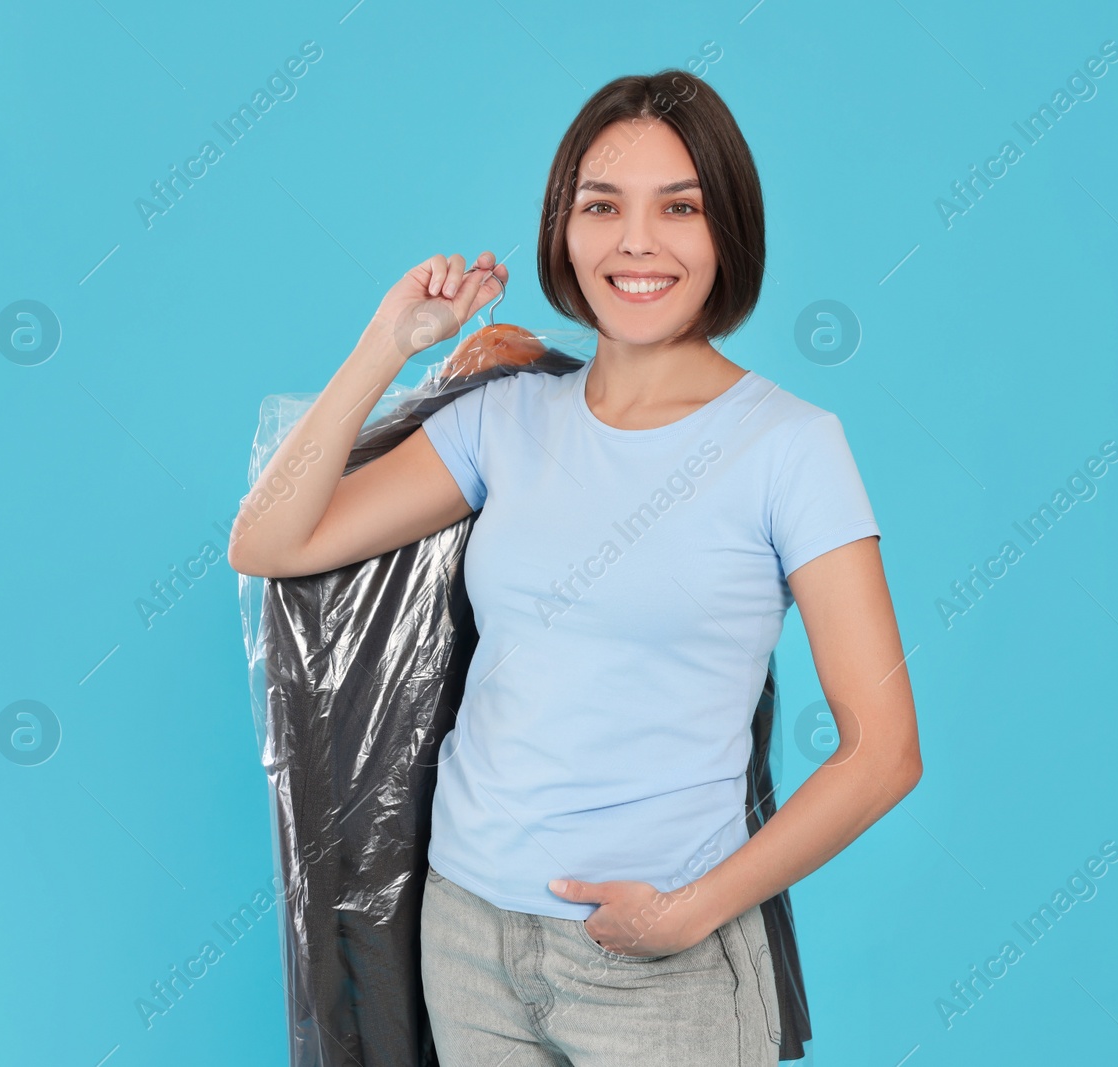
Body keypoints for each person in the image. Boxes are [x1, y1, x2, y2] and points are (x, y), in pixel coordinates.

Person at [229, 68, 922, 1067]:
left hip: (657, 962)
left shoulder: (790, 446)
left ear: (727, 229)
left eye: (677, 207)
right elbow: (270, 540)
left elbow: (883, 749)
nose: (636, 240)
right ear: (563, 230)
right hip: (466, 933)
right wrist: (390, 343)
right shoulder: (504, 418)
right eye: (603, 206)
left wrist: (690, 913)